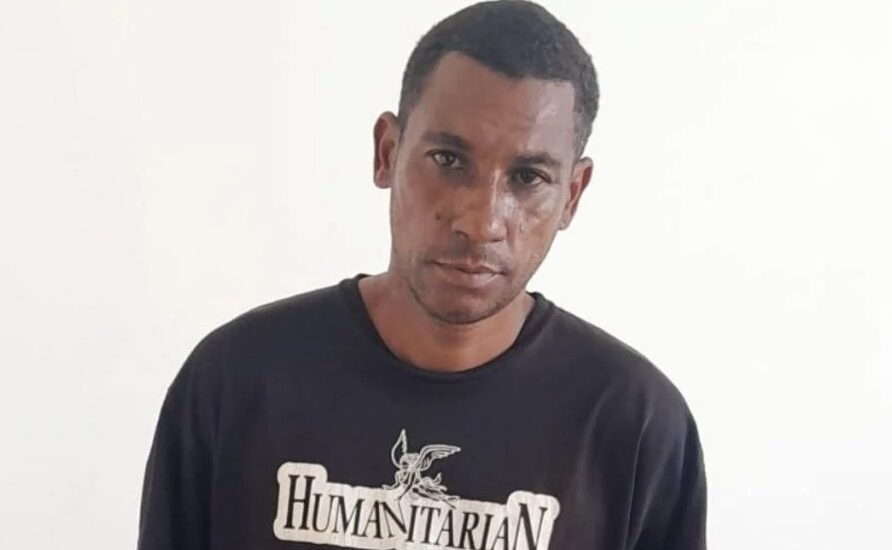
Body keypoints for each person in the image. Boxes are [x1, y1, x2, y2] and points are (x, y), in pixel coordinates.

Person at [137, 1, 708, 549]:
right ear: (387, 152)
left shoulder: (634, 426)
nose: (480, 222)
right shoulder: (237, 381)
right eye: (448, 161)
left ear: (572, 195)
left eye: (528, 177)